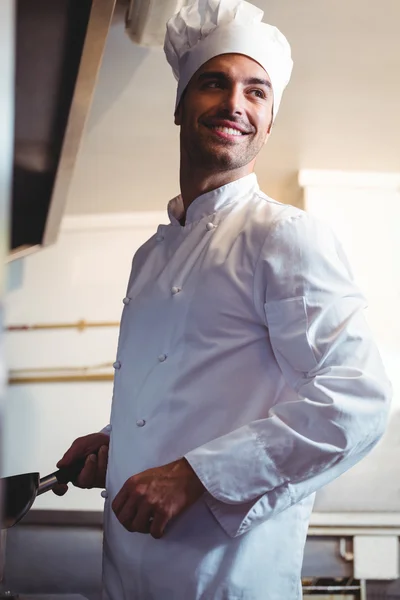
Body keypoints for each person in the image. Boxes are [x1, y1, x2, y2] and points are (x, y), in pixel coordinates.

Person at [55, 1, 392, 598]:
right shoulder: (151, 257)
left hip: (225, 582)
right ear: (181, 104)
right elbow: (188, 393)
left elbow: (356, 399)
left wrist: (196, 476)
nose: (236, 103)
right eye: (215, 82)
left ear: (267, 122)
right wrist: (120, 440)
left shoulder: (283, 235)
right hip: (126, 577)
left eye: (256, 92)